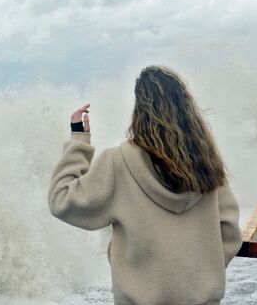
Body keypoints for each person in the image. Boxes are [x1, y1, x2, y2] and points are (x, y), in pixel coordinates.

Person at [48, 65, 243, 305]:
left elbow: (61, 200)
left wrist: (79, 138)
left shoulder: (118, 163)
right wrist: (198, 277)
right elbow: (230, 231)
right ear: (187, 109)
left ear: (139, 112)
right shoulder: (207, 163)